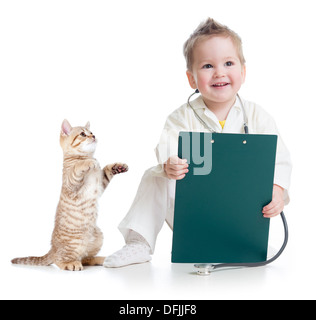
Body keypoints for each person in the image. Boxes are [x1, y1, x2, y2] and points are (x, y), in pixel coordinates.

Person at [103, 18, 292, 268]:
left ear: (243, 72)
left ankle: (248, 244)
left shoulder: (258, 116)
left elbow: (279, 160)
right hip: (194, 210)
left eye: (228, 63)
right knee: (155, 175)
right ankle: (139, 242)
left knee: (265, 182)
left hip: (238, 213)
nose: (219, 72)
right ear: (191, 79)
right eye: (207, 66)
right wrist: (170, 163)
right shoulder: (181, 117)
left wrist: (277, 190)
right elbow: (168, 146)